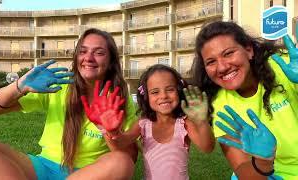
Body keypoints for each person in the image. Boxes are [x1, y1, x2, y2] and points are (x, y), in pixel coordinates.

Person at [0, 28, 138, 180]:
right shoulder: (58, 86)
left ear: (111, 61)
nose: (88, 58)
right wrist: (20, 86)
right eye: (83, 51)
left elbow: (129, 158)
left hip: (90, 173)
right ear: (76, 57)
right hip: (43, 167)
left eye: (99, 53)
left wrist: (110, 132)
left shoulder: (118, 98)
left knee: (122, 163)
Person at [191, 20, 298, 179]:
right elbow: (244, 172)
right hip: (272, 173)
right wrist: (263, 161)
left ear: (248, 50)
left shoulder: (283, 66)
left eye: (228, 53)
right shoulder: (221, 106)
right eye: (211, 62)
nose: (222, 67)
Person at [84, 64, 215, 180]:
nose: (163, 96)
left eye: (170, 89)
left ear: (179, 90)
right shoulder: (143, 124)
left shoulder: (184, 123)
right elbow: (121, 142)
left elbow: (207, 147)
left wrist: (202, 122)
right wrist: (110, 130)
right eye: (155, 92)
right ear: (146, 96)